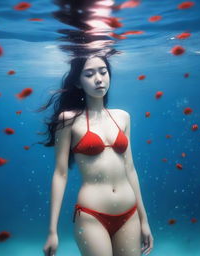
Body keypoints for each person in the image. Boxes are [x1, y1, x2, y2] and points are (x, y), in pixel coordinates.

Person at [42, 55, 154, 256]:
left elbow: (130, 169)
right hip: (91, 215)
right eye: (89, 74)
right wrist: (52, 231)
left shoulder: (123, 117)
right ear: (78, 81)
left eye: (103, 71)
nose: (99, 79)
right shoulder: (67, 120)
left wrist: (144, 220)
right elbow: (60, 174)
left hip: (130, 215)